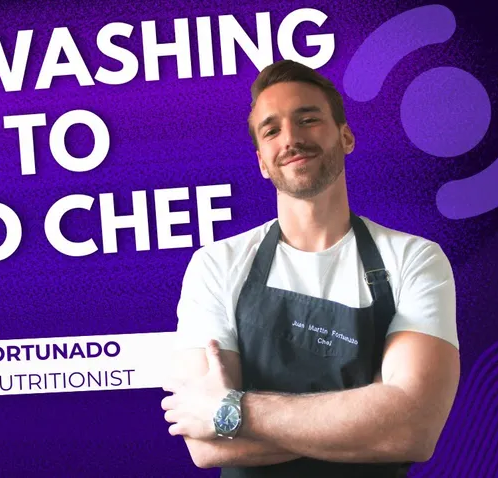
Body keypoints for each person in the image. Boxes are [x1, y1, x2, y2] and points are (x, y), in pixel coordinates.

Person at [161, 60, 460, 477]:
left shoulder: (414, 260)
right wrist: (368, 416)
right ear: (263, 162)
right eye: (272, 130)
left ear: (346, 136)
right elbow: (205, 445)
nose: (292, 139)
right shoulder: (216, 265)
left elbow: (413, 427)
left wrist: (231, 409)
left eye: (308, 119)